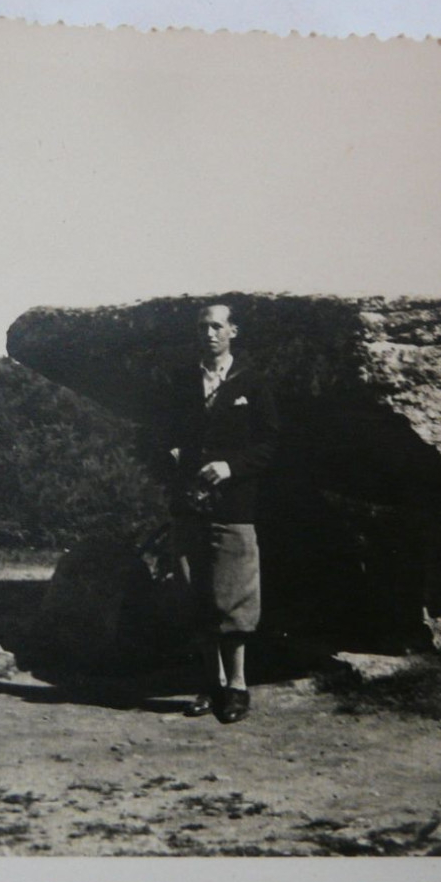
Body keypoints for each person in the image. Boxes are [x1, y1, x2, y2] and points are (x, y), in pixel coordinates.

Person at [157, 301, 279, 724]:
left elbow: (271, 445)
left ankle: (237, 687)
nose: (209, 334)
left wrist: (232, 467)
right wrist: (170, 454)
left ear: (233, 332)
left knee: (236, 596)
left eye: (216, 326)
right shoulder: (181, 382)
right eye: (202, 327)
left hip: (234, 506)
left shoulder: (253, 382)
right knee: (195, 593)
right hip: (189, 505)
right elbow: (156, 434)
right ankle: (209, 684)